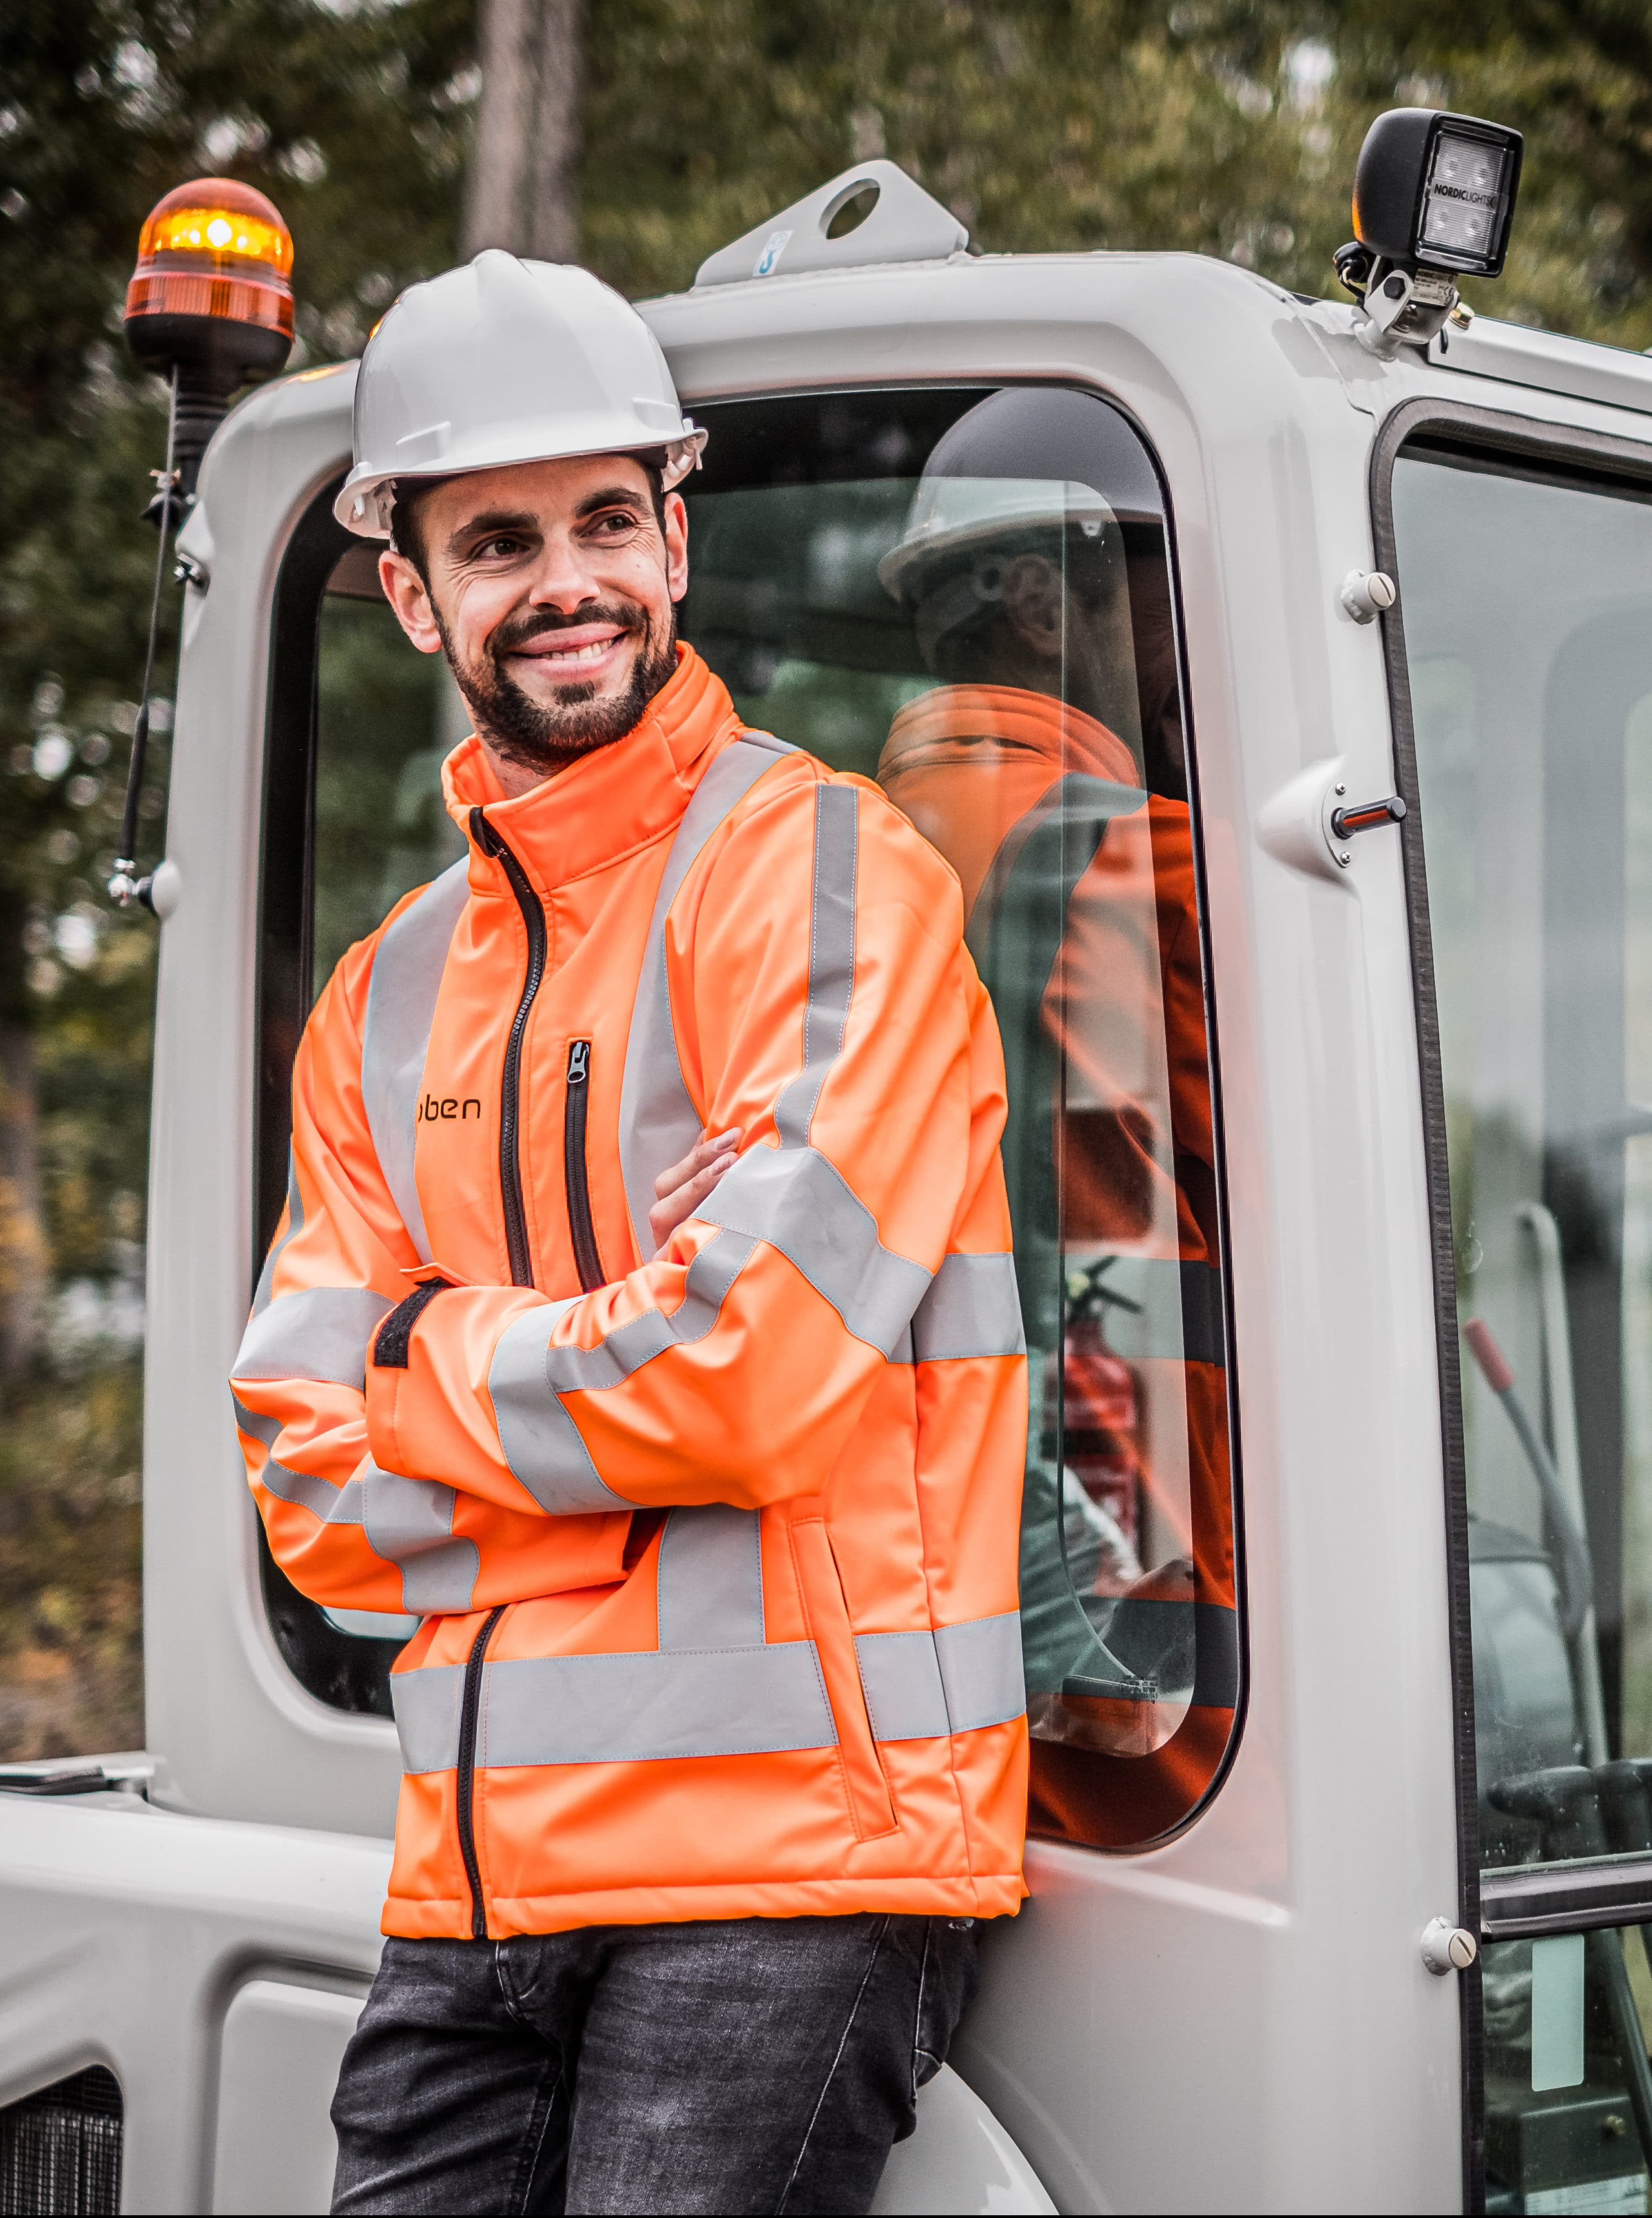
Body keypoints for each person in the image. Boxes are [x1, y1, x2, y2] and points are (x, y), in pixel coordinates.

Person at [229, 250, 1028, 2217]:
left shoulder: (827, 871)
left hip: (793, 1865)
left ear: (674, 537)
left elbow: (745, 1372)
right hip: (478, 1881)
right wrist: (609, 1343)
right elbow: (304, 1476)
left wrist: (425, 1345)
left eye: (604, 519)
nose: (564, 578)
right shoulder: (381, 996)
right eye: (496, 540)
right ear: (413, 592)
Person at [872, 408, 1229, 1780]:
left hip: (945, 1594)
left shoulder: (846, 859)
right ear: (1039, 601)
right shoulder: (1147, 865)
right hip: (1144, 1599)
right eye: (1156, 585)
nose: (1185, 628)